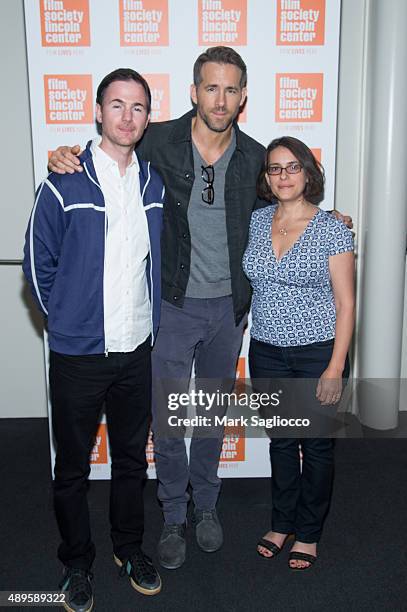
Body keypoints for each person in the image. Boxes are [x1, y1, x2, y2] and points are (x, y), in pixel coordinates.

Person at [48, 46, 353, 571]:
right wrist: (65, 155)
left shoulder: (258, 157)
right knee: (168, 419)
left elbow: (290, 201)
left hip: (227, 314)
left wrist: (333, 219)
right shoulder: (157, 140)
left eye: (231, 89)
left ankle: (206, 506)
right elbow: (109, 154)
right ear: (194, 92)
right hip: (170, 307)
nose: (221, 98)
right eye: (211, 87)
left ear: (242, 98)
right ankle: (171, 513)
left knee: (209, 415)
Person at [23, 68, 165, 611]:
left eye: (138, 107)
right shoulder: (64, 181)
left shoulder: (153, 181)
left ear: (147, 117)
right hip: (78, 354)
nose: (128, 117)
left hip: (137, 351)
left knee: (131, 459)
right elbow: (38, 264)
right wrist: (65, 322)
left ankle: (128, 549)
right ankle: (75, 562)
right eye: (118, 105)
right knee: (72, 468)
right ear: (98, 111)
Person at [242, 136, 355, 570]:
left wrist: (335, 367)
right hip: (267, 351)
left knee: (318, 446)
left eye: (292, 167)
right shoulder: (257, 221)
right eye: (275, 168)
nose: (284, 175)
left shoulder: (331, 228)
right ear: (266, 178)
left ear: (308, 173)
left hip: (317, 354)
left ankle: (309, 532)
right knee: (282, 443)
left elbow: (346, 304)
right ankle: (281, 522)